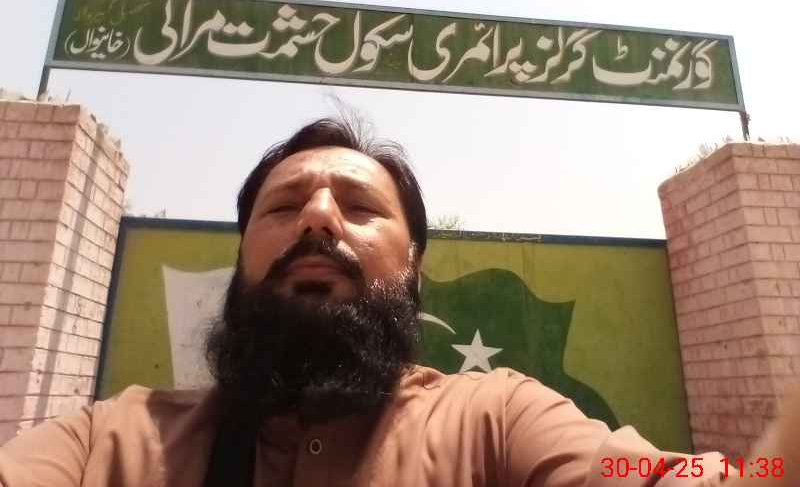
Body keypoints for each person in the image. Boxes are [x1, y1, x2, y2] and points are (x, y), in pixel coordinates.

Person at [0, 115, 796, 487]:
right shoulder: (110, 443)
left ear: (413, 273)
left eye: (358, 206)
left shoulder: (498, 423)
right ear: (241, 264)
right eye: (285, 206)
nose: (318, 217)